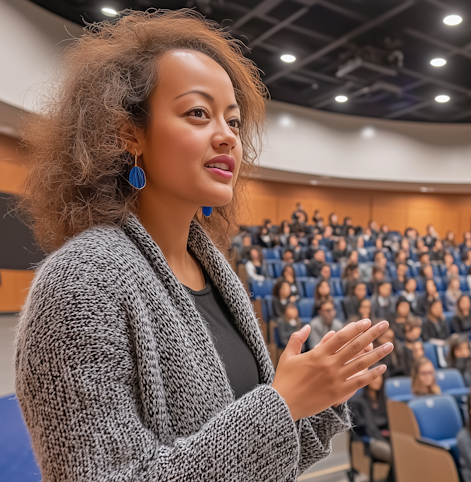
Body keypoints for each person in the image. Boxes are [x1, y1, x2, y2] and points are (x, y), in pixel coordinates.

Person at [14, 10, 397, 480]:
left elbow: (261, 459)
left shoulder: (213, 270)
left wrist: (320, 394)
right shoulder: (82, 282)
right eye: (198, 113)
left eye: (234, 122)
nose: (227, 138)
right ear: (128, 134)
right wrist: (281, 403)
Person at [349, 363, 394, 477]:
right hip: (372, 441)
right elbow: (367, 428)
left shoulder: (385, 400)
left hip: (389, 438)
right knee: (396, 456)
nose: (377, 380)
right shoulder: (358, 402)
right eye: (374, 376)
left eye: (380, 376)